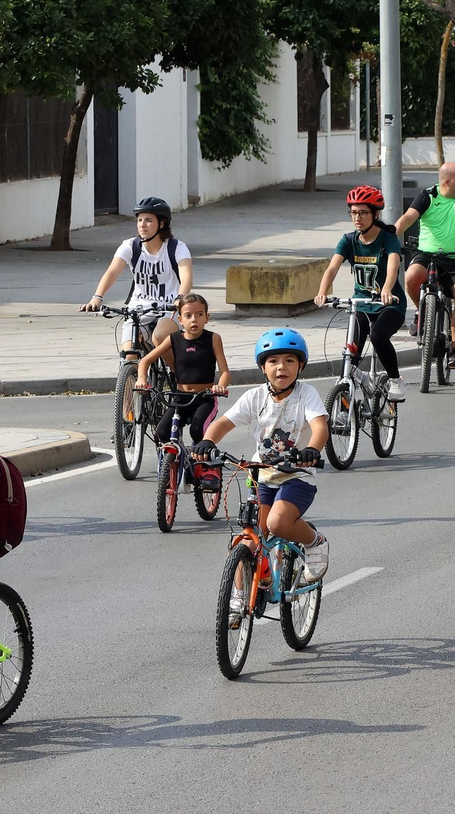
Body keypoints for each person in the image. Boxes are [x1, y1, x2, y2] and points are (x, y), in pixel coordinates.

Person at [193, 329, 331, 626]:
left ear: (301, 366)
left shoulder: (307, 395)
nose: (282, 367)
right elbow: (225, 422)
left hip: (297, 476)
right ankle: (238, 599)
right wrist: (207, 441)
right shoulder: (255, 397)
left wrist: (310, 449)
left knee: (277, 523)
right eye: (274, 361)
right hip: (261, 476)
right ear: (262, 367)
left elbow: (320, 427)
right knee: (253, 537)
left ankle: (315, 541)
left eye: (290, 360)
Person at [316, 186, 407, 402]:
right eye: (353, 213)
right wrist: (322, 293)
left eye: (363, 213)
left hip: (390, 305)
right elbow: (332, 268)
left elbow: (393, 267)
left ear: (376, 214)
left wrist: (386, 290)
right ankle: (344, 406)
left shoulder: (388, 239)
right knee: (351, 354)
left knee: (378, 336)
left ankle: (395, 379)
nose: (357, 218)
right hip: (361, 304)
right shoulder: (349, 240)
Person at [134, 293, 231, 486]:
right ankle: (171, 463)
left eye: (199, 314)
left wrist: (220, 385)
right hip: (179, 397)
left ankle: (209, 470)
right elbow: (145, 360)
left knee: (198, 431)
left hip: (205, 398)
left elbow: (225, 371)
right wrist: (141, 379)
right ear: (180, 319)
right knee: (162, 432)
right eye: (188, 315)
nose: (194, 319)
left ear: (207, 317)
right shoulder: (174, 339)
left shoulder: (213, 339)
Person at [80, 198, 192, 357]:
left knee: (159, 337)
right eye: (139, 220)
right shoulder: (130, 246)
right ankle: (135, 378)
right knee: (129, 354)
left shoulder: (176, 247)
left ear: (161, 224)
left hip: (169, 308)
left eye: (148, 220)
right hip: (138, 308)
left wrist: (180, 298)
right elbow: (112, 271)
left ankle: (176, 378)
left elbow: (186, 275)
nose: (142, 224)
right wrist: (97, 297)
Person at [397, 162, 455, 370]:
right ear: (447, 182)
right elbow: (409, 216)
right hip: (427, 255)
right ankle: (421, 312)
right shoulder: (428, 195)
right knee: (411, 277)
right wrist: (392, 233)